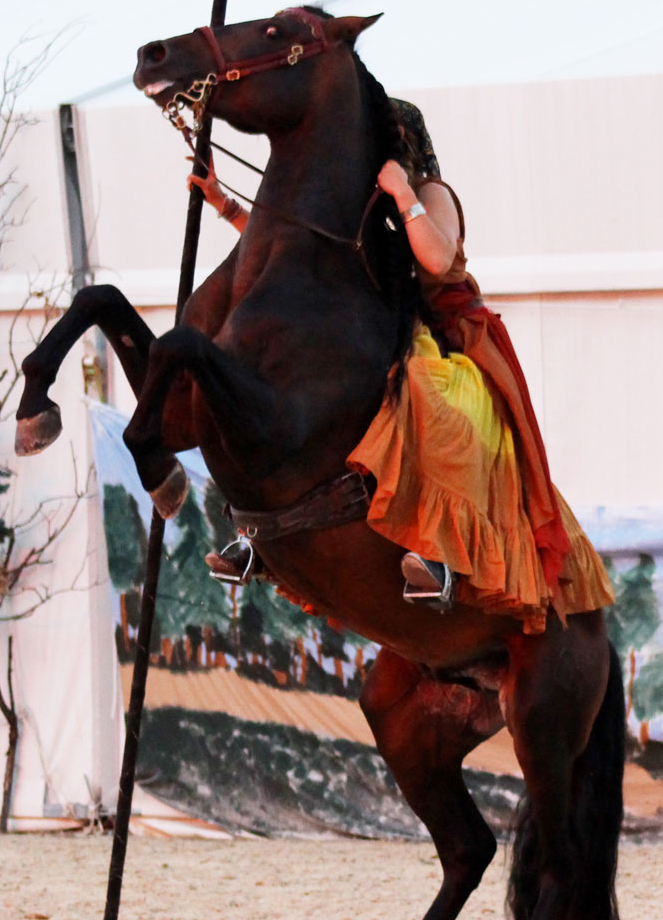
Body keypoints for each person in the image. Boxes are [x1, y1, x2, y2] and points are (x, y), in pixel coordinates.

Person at [192, 99, 612, 633]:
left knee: (419, 386)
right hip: (384, 332)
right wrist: (223, 203)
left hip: (444, 341)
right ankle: (263, 534)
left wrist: (404, 194)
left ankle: (440, 557)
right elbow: (294, 251)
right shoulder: (360, 203)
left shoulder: (433, 194)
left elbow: (436, 260)